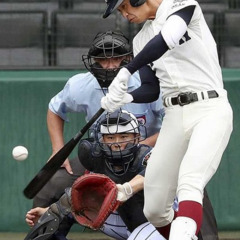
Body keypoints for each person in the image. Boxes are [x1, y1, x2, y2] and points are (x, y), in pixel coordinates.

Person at [101, 1, 233, 240]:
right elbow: (151, 89)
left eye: (124, 6)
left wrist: (126, 71)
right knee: (154, 209)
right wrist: (125, 96)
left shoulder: (183, 4)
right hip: (174, 116)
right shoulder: (140, 40)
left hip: (209, 108)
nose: (124, 14)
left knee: (190, 181)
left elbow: (167, 38)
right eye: (119, 11)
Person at [32, 30, 164, 239]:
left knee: (188, 186)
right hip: (100, 156)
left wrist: (141, 147)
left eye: (116, 57)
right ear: (94, 61)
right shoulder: (81, 85)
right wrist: (58, 149)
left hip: (148, 156)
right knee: (53, 184)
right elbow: (55, 109)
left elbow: (173, 123)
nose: (110, 65)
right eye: (103, 59)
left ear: (128, 59)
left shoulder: (148, 84)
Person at [25, 110, 166, 240]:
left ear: (136, 138)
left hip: (157, 224)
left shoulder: (145, 154)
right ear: (102, 140)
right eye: (110, 137)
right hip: (120, 219)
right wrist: (49, 211)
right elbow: (81, 193)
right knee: (54, 217)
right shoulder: (95, 157)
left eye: (124, 136)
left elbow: (154, 172)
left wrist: (126, 189)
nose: (117, 143)